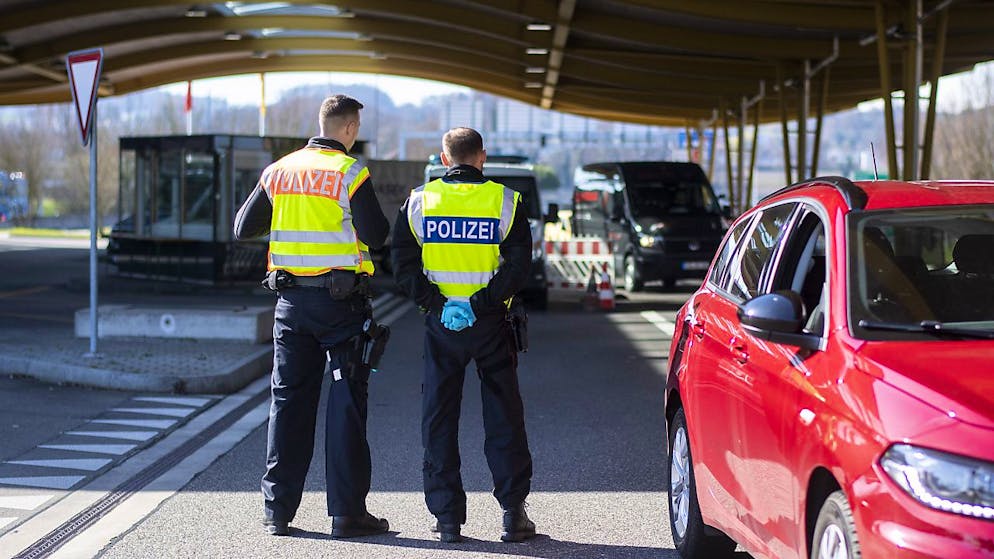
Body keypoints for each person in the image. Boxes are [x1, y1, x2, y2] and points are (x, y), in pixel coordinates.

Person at [233, 94, 391, 539]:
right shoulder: (351, 171)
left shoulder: (278, 170)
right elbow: (377, 236)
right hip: (341, 307)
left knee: (288, 404)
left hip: (291, 307)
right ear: (350, 127)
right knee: (344, 406)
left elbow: (243, 227)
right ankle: (346, 514)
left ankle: (277, 512)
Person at [392, 127, 535, 543]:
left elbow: (402, 264)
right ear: (482, 157)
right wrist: (480, 303)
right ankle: (513, 514)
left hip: (442, 326)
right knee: (503, 415)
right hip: (491, 324)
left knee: (439, 416)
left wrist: (439, 304)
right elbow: (518, 267)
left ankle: (447, 518)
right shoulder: (505, 202)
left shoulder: (419, 201)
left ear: (443, 158)